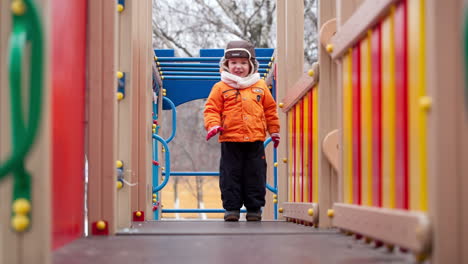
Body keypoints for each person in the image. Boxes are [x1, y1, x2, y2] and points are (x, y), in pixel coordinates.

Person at [203, 40, 280, 222]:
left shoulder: (260, 86)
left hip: (255, 139)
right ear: (226, 65)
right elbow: (211, 109)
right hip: (230, 139)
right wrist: (213, 125)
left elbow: (270, 109)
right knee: (231, 174)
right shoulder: (220, 87)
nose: (238, 67)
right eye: (234, 63)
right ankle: (232, 209)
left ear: (251, 65)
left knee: (256, 173)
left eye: (243, 63)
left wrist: (274, 130)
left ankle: (254, 208)